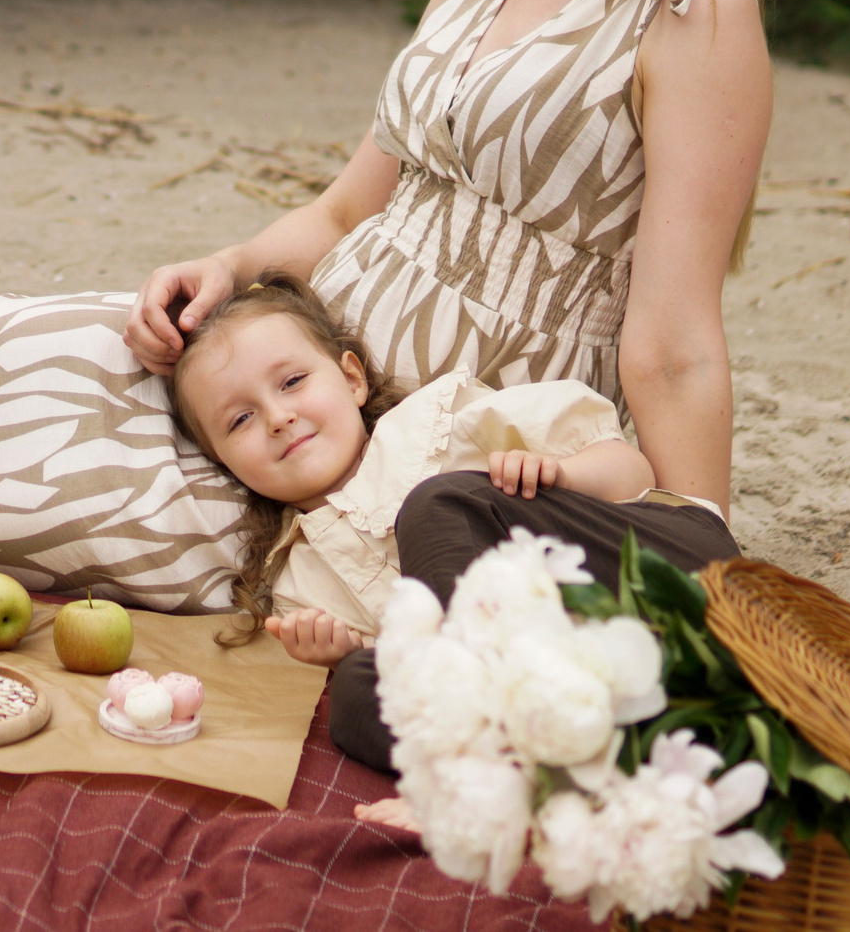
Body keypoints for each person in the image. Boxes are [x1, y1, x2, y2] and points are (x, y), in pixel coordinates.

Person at [123, 0, 773, 772]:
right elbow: (339, 217)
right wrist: (227, 270)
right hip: (320, 398)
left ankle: (504, 659)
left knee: (397, 622)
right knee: (42, 367)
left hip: (479, 454)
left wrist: (694, 545)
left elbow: (672, 338)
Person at [165, 274, 653, 666]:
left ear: (352, 379)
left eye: (292, 381)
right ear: (223, 463)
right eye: (241, 419)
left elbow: (634, 474)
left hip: (597, 624)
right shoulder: (299, 584)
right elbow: (402, 681)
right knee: (357, 706)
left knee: (432, 507)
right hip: (494, 699)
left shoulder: (446, 421)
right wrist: (344, 658)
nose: (278, 418)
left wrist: (561, 477)